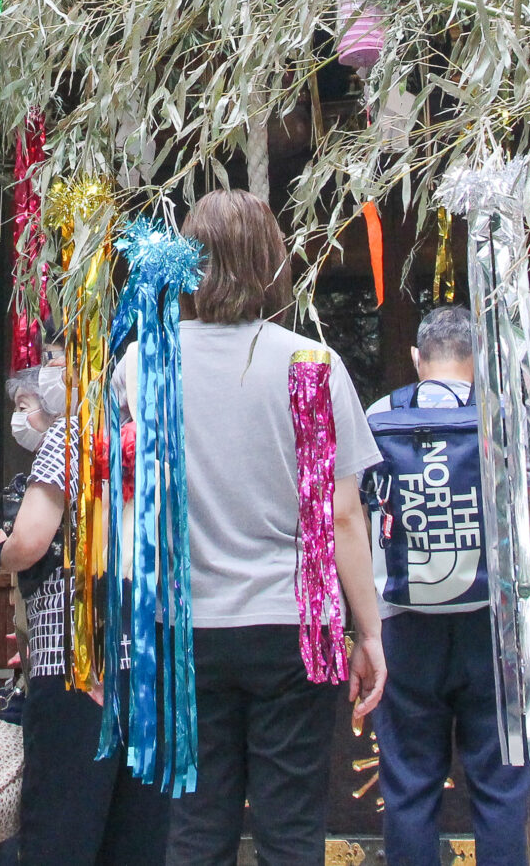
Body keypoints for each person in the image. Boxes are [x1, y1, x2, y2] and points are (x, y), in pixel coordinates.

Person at [172, 189, 387, 866]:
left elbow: (127, 508)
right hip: (297, 626)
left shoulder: (145, 366)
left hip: (182, 627)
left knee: (194, 827)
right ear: (272, 263)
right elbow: (343, 514)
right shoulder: (309, 365)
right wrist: (371, 630)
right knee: (290, 830)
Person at [364, 305, 530, 866]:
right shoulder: (503, 416)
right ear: (479, 359)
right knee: (501, 787)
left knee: (409, 788)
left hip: (404, 626)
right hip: (493, 624)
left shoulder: (379, 415)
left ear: (417, 359)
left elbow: (356, 524)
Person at [0, 361, 171, 866]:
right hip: (150, 658)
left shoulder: (72, 437)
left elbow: (30, 541)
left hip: (73, 656)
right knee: (136, 834)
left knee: (61, 828)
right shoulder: (165, 437)